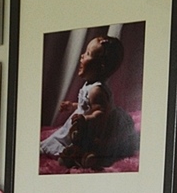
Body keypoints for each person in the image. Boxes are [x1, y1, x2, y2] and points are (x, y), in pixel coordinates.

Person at [40, 34, 139, 169]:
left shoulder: (96, 90)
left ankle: (80, 156)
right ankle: (81, 155)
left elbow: (100, 112)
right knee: (69, 138)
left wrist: (86, 119)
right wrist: (72, 106)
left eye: (87, 53)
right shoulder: (90, 86)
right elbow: (86, 106)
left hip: (93, 127)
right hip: (84, 123)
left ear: (101, 66)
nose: (82, 56)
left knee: (72, 142)